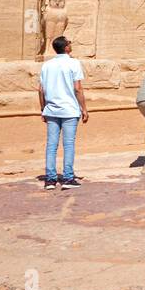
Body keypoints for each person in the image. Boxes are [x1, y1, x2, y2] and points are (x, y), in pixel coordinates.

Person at [39, 36, 87, 189]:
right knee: (68, 144)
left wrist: (43, 108)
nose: (71, 44)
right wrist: (84, 108)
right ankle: (67, 178)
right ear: (66, 47)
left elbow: (41, 90)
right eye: (69, 43)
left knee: (51, 145)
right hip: (69, 110)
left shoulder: (47, 65)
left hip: (52, 109)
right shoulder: (73, 63)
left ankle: (50, 179)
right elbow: (77, 88)